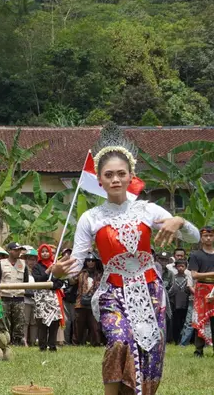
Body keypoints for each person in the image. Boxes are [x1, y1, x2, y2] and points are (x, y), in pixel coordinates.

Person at [52, 125, 200, 395]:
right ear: (99, 180)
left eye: (121, 173)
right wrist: (59, 271)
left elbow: (194, 237)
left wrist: (178, 220)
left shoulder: (147, 210)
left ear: (131, 175)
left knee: (149, 353)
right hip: (112, 291)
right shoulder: (91, 218)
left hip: (151, 291)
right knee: (120, 342)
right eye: (109, 175)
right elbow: (75, 264)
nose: (116, 179)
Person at [31, 244, 64, 352]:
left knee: (54, 323)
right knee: (42, 323)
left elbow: (60, 281)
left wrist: (51, 285)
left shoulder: (56, 265)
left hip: (53, 296)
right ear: (39, 254)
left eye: (47, 251)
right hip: (41, 298)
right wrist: (47, 271)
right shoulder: (36, 267)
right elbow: (37, 280)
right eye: (42, 251)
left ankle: (52, 345)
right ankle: (42, 346)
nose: (45, 253)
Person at [0, 242, 29, 346]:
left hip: (19, 297)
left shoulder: (23, 264)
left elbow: (26, 281)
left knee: (19, 322)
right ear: (9, 251)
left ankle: (18, 343)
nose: (18, 252)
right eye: (16, 250)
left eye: (20, 250)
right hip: (5, 297)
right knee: (5, 322)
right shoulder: (1, 264)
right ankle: (6, 343)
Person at [189, 225, 214, 357]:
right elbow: (194, 275)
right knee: (200, 318)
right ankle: (198, 350)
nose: (208, 238)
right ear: (201, 238)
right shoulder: (195, 255)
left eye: (211, 235)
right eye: (206, 236)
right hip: (202, 289)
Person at [75, 253, 103, 346]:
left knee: (94, 324)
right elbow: (72, 280)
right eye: (88, 261)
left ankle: (96, 342)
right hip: (81, 301)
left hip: (94, 301)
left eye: (92, 261)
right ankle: (77, 342)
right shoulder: (81, 273)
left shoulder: (99, 274)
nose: (90, 263)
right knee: (79, 323)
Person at [167, 259, 193, 345]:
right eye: (179, 266)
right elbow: (170, 291)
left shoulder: (188, 278)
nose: (181, 268)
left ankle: (183, 340)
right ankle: (176, 340)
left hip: (185, 303)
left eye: (183, 266)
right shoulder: (173, 277)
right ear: (176, 267)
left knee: (184, 322)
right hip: (175, 303)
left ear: (186, 267)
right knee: (176, 323)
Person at [23, 248, 39, 347]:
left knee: (34, 322)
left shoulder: (38, 270)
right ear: (26, 260)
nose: (31, 262)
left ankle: (33, 341)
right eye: (30, 259)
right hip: (26, 298)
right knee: (25, 321)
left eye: (34, 259)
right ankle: (24, 341)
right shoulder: (23, 270)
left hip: (36, 298)